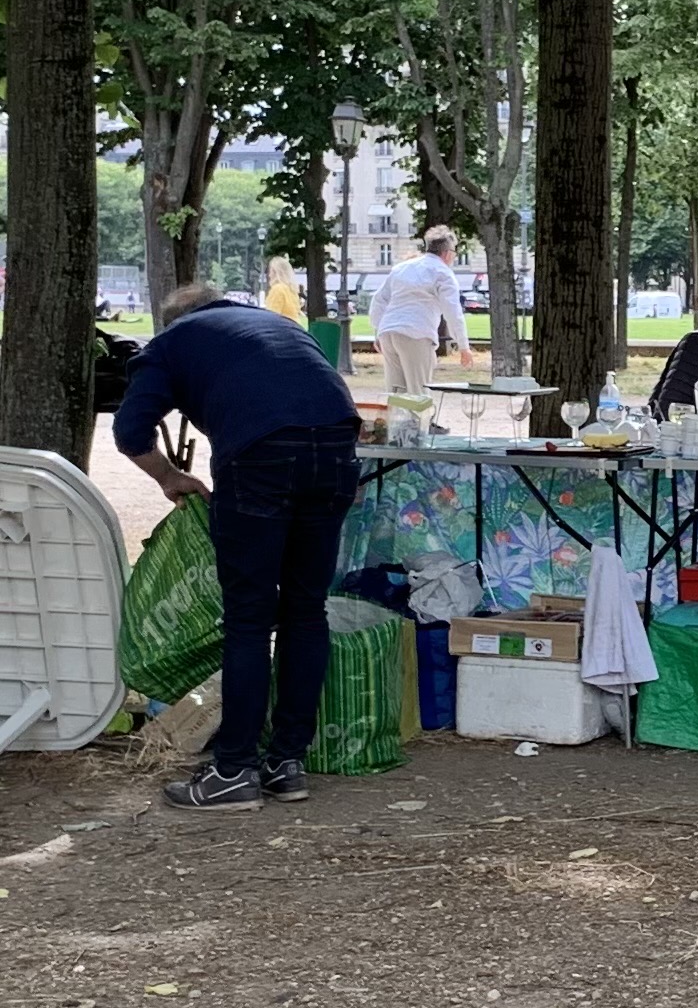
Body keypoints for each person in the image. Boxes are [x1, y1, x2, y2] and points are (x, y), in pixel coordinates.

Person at [113, 284, 361, 810]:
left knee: (248, 618)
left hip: (261, 456)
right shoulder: (278, 325)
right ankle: (286, 763)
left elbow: (130, 431)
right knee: (304, 611)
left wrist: (169, 477)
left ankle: (232, 772)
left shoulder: (172, 341)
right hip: (338, 449)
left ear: (172, 320)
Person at [369, 227, 475, 395]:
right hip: (416, 333)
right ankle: (418, 422)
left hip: (388, 331)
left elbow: (379, 300)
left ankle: (396, 421)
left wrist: (377, 330)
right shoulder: (443, 274)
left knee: (395, 393)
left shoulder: (402, 268)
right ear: (447, 253)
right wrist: (463, 346)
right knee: (419, 392)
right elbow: (453, 312)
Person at [263, 255, 303, 324]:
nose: (269, 275)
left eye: (270, 271)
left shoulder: (277, 290)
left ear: (276, 272)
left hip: (281, 330)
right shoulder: (292, 290)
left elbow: (271, 317)